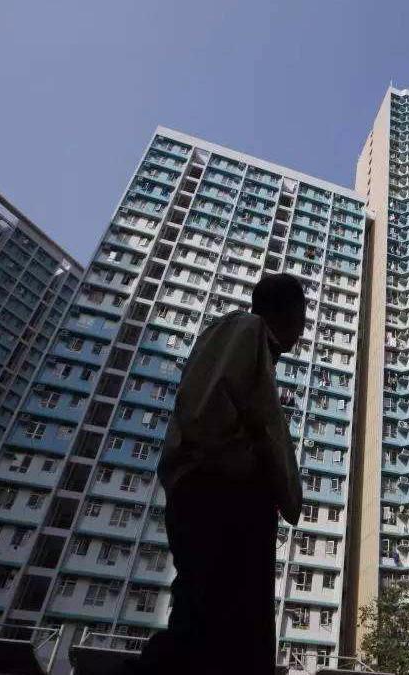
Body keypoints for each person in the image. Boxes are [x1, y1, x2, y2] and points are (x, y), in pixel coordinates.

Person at [135, 274, 306, 675]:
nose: (302, 329)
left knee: (227, 624)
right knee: (208, 615)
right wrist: (245, 469)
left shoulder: (254, 348)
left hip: (226, 495)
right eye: (302, 316)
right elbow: (207, 411)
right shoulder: (244, 328)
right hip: (220, 495)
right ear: (289, 313)